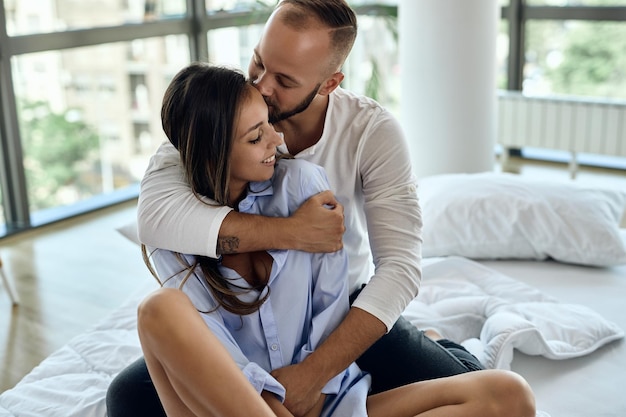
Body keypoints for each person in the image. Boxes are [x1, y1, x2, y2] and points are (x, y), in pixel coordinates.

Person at [107, 1, 531, 416]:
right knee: (127, 398)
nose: (262, 86)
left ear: (329, 83)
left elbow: (400, 268)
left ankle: (441, 342)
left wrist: (313, 375)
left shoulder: (369, 133)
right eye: (258, 63)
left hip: (340, 316)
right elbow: (155, 220)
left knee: (482, 387)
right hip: (241, 334)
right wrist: (293, 232)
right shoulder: (217, 118)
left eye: (285, 80)